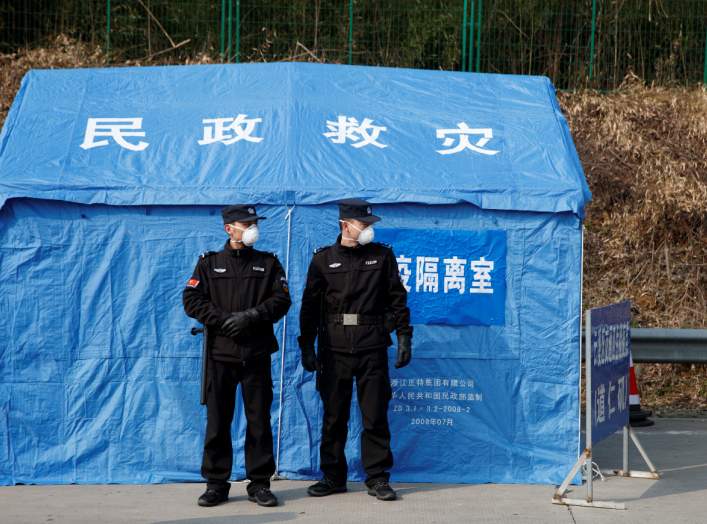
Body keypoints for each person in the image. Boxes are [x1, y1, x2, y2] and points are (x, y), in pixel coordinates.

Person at [298, 199, 412, 501]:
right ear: (346, 225)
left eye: (371, 225)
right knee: (334, 417)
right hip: (334, 348)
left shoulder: (382, 256)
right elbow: (309, 306)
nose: (369, 230)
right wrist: (306, 345)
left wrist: (403, 337)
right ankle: (333, 477)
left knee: (374, 415)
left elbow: (396, 299)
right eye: (364, 224)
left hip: (371, 346)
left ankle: (376, 477)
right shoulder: (323, 260)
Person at [183, 204, 291, 508]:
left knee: (259, 421)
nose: (252, 227)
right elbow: (191, 300)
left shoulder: (268, 263)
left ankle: (259, 484)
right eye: (246, 223)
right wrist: (221, 320)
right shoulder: (209, 263)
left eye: (254, 222)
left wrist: (252, 316)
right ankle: (216, 483)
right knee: (218, 422)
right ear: (229, 228)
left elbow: (282, 300)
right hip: (220, 355)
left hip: (255, 354)